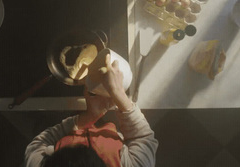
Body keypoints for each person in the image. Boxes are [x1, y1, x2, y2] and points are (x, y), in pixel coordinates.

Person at [24, 54, 158, 167]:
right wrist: (119, 93)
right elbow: (142, 137)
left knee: (40, 119)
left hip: (69, 124)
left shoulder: (39, 162)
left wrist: (88, 117)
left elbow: (37, 145)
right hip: (111, 126)